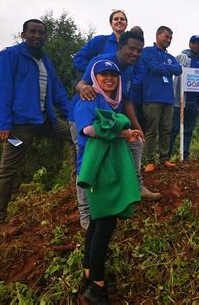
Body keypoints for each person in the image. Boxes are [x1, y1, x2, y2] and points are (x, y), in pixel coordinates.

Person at [0, 19, 72, 234]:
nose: (37, 36)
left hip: (46, 120)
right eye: (32, 32)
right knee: (8, 169)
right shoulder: (10, 56)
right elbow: (1, 91)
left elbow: (58, 92)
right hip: (19, 124)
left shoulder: (45, 60)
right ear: (23, 34)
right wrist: (3, 124)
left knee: (76, 135)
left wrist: (76, 117)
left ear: (46, 36)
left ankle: (78, 185)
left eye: (41, 33)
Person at [75, 59, 141, 304]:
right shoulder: (89, 98)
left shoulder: (111, 102)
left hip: (106, 168)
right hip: (97, 170)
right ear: (94, 77)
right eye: (103, 75)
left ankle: (89, 271)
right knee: (105, 225)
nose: (109, 79)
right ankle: (96, 288)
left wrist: (125, 132)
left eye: (113, 75)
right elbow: (88, 130)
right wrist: (122, 131)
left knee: (97, 221)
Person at [76, 31, 162, 203]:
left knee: (135, 143)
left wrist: (136, 127)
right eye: (132, 49)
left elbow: (127, 100)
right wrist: (81, 88)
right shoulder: (101, 61)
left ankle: (135, 187)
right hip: (88, 119)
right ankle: (85, 212)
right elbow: (83, 83)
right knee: (88, 160)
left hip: (110, 120)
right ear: (120, 47)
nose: (136, 53)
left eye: (139, 51)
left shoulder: (128, 70)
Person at [140, 26, 182, 172]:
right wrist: (164, 68)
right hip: (151, 97)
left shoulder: (171, 57)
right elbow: (153, 67)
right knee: (151, 130)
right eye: (166, 36)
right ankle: (150, 160)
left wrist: (162, 66)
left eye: (170, 38)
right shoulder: (147, 51)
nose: (168, 40)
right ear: (157, 35)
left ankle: (164, 159)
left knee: (166, 130)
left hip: (168, 99)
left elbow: (179, 70)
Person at [170, 35, 199, 159]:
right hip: (179, 101)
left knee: (188, 130)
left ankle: (185, 155)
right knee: (174, 129)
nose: (195, 46)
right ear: (189, 44)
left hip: (194, 102)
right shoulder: (181, 57)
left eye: (198, 44)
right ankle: (166, 156)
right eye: (193, 43)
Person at [73, 10, 128, 77]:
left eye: (122, 19)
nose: (119, 21)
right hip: (103, 85)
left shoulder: (133, 45)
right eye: (116, 19)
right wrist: (95, 73)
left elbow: (139, 70)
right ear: (111, 24)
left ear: (126, 23)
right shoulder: (100, 41)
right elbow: (79, 58)